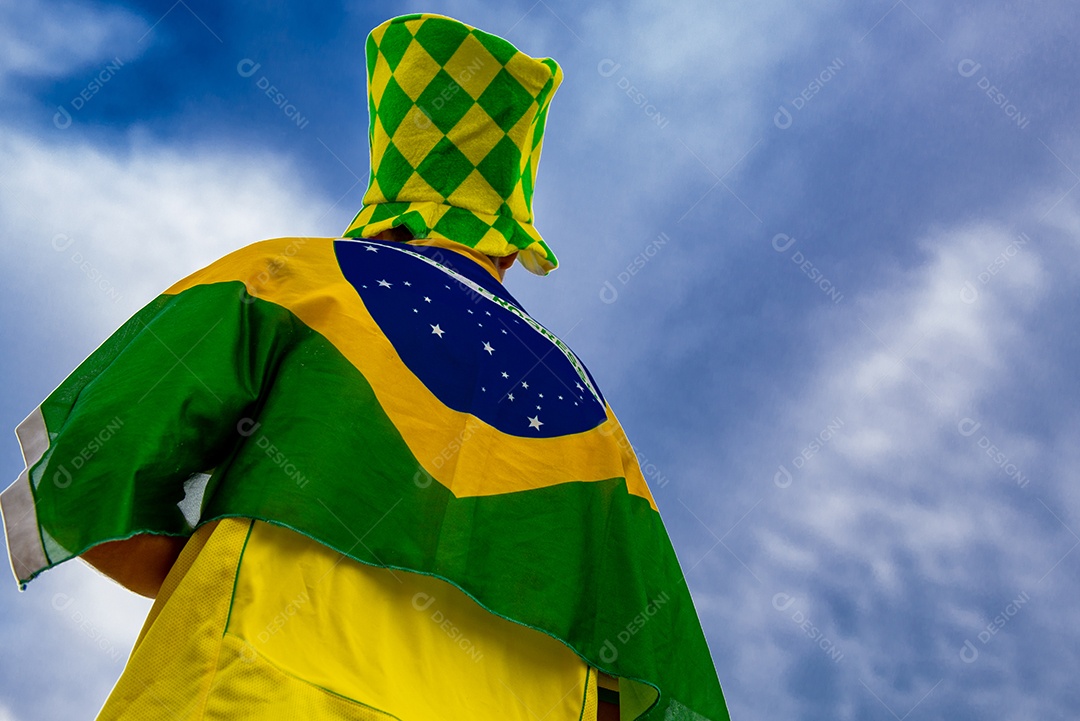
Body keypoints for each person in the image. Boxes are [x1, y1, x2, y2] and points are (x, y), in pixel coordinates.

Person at [1, 13, 729, 721]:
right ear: (510, 240)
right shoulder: (596, 420)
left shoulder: (291, 277)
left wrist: (211, 588)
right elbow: (634, 683)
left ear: (385, 192)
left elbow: (89, 463)